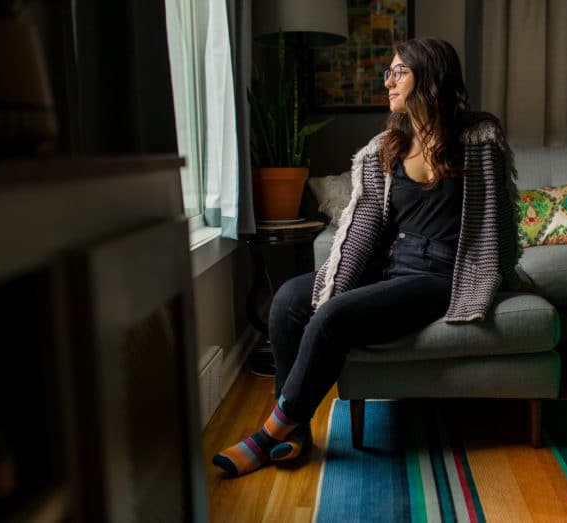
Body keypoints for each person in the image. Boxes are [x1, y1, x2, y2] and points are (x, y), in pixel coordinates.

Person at [213, 37, 520, 477]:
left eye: (399, 72)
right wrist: (334, 279)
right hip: (393, 265)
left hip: (442, 275)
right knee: (286, 300)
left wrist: (507, 272)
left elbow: (499, 216)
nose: (388, 81)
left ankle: (269, 435)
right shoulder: (386, 147)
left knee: (334, 316)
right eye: (388, 72)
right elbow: (363, 227)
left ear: (429, 78)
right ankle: (296, 431)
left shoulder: (479, 137)